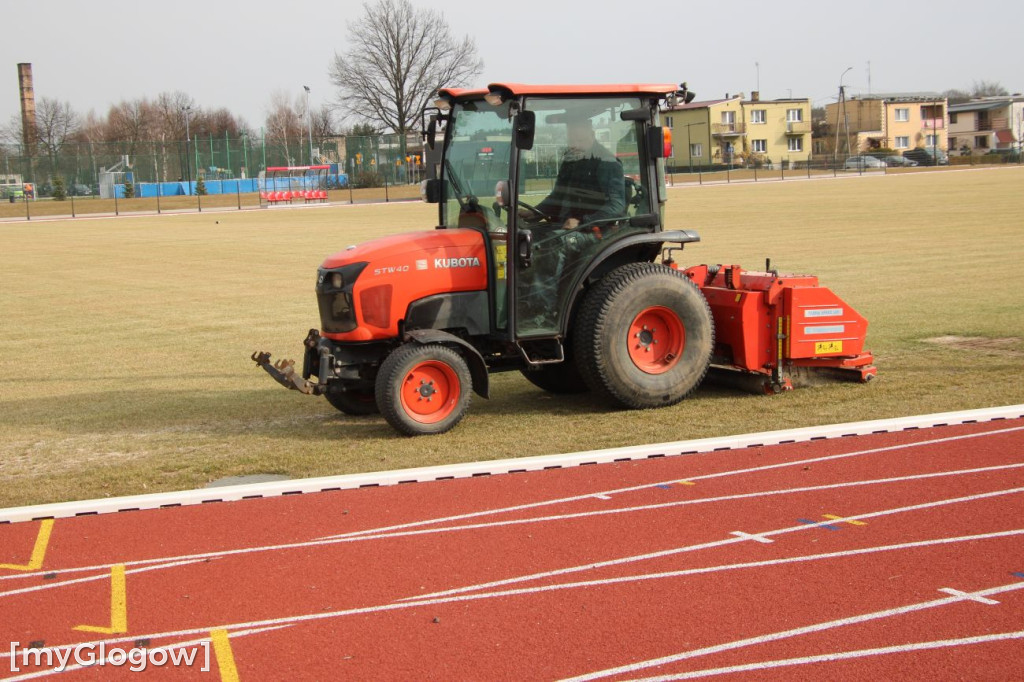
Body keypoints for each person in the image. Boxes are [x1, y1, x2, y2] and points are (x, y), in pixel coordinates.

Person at [516, 116, 626, 328]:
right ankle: (522, 304)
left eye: (578, 137)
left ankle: (544, 315)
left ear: (590, 134)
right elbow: (557, 197)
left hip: (596, 232)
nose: (573, 142)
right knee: (526, 238)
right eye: (571, 137)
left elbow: (616, 207)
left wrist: (582, 221)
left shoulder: (607, 162)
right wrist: (535, 212)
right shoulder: (572, 161)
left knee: (553, 244)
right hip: (568, 225)